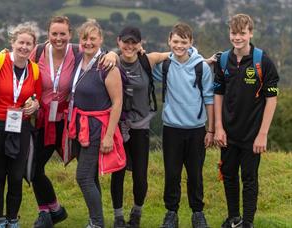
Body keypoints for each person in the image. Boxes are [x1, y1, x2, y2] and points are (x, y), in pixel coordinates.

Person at [29, 16, 118, 228]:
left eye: (63, 34)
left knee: (86, 173)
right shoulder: (39, 51)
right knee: (33, 168)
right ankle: (51, 210)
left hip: (70, 122)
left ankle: (96, 220)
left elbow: (97, 50)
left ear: (70, 35)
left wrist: (115, 53)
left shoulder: (77, 51)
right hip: (43, 120)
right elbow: (21, 63)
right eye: (54, 34)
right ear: (48, 34)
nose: (58, 38)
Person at [213, 14, 279, 228]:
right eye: (234, 33)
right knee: (229, 175)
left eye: (242, 33)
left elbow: (272, 99)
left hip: (252, 134)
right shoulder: (223, 60)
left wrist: (263, 134)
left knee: (249, 179)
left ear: (251, 33)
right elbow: (218, 94)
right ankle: (234, 218)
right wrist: (218, 128)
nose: (237, 37)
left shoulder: (263, 61)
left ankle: (248, 222)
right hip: (228, 132)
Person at [62, 19, 125, 228]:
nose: (88, 42)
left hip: (97, 127)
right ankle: (95, 220)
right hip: (80, 125)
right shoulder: (78, 57)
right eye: (84, 38)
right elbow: (54, 44)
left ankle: (97, 223)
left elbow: (117, 103)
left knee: (83, 177)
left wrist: (109, 135)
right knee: (90, 176)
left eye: (92, 38)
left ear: (101, 40)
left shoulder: (107, 65)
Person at [152, 23, 214, 228]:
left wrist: (210, 129)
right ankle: (171, 213)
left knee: (195, 174)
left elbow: (209, 98)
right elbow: (143, 65)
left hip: (196, 129)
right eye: (175, 41)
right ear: (169, 41)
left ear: (191, 42)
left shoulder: (201, 67)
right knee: (172, 173)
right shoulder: (165, 65)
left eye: (183, 42)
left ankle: (198, 213)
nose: (179, 46)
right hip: (171, 128)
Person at [110, 26, 169, 228]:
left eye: (134, 42)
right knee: (117, 173)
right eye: (126, 41)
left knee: (140, 176)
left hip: (141, 127)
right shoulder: (112, 62)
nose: (130, 46)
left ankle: (136, 215)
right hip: (117, 126)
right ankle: (118, 218)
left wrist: (203, 59)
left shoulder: (147, 60)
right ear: (118, 41)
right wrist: (110, 53)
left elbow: (172, 53)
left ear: (140, 43)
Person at [0, 23, 41, 227]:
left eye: (29, 44)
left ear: (34, 46)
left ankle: (12, 219)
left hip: (20, 126)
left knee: (16, 176)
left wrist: (34, 104)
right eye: (21, 42)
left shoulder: (34, 69)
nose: (24, 47)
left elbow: (37, 97)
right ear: (13, 42)